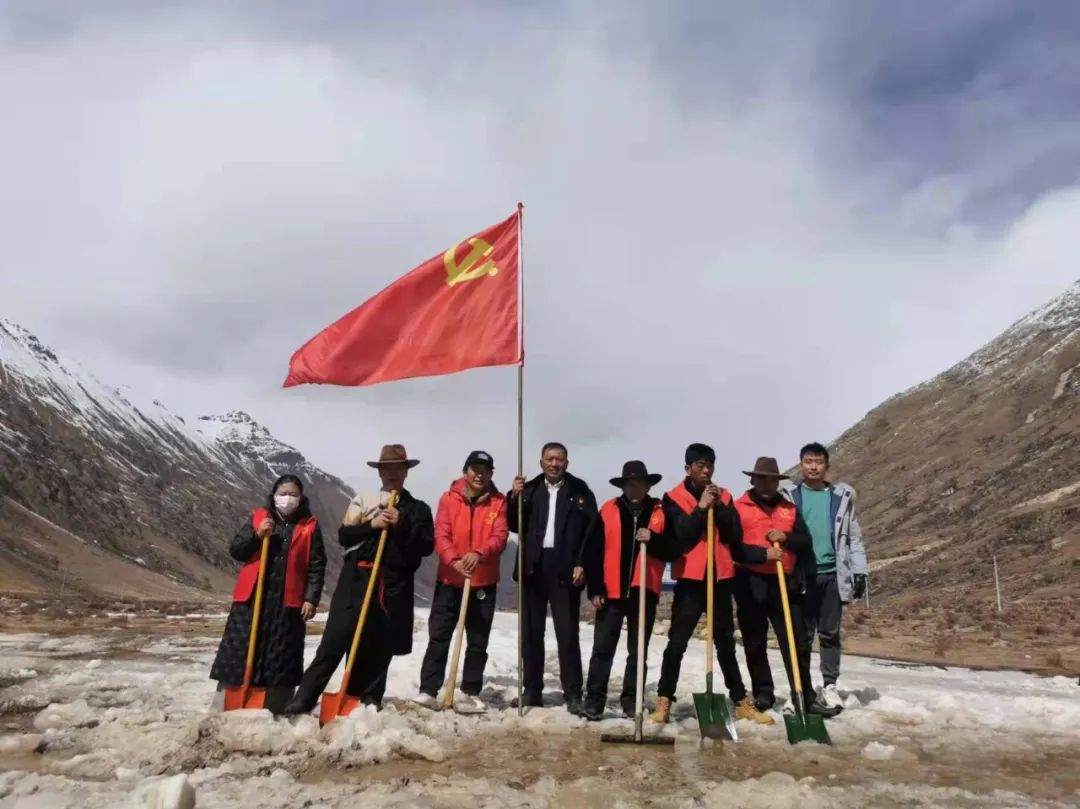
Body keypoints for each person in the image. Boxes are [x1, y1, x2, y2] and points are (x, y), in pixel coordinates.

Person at [285, 445, 433, 714]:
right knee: (335, 638)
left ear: (406, 471)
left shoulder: (418, 510)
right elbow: (345, 536)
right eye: (386, 468)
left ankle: (366, 699)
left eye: (398, 468)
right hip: (356, 578)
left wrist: (401, 525)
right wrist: (372, 525)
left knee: (379, 644)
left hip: (392, 583)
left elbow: (425, 546)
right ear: (380, 472)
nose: (392, 473)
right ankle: (304, 697)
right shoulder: (363, 500)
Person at [650, 443, 772, 725]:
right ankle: (664, 700)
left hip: (720, 578)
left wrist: (720, 508)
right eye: (700, 465)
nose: (706, 470)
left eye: (710, 465)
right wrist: (700, 509)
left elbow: (734, 536)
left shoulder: (724, 495)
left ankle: (740, 701)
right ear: (688, 468)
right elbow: (680, 536)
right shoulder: (673, 498)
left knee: (725, 643)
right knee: (677, 642)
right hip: (691, 579)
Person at [733, 457, 840, 719]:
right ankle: (763, 693)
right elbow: (733, 547)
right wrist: (763, 555)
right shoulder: (738, 508)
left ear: (777, 482)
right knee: (755, 641)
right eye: (761, 478)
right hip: (750, 582)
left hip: (784, 583)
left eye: (771, 479)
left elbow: (805, 542)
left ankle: (804, 695)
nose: (766, 484)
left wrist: (786, 538)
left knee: (796, 641)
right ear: (752, 480)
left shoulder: (789, 509)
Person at [210, 474, 326, 714]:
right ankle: (228, 701)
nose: (288, 498)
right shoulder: (259, 519)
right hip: (253, 599)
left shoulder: (309, 527)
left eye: (293, 494)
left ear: (301, 498)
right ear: (274, 496)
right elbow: (237, 550)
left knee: (281, 654)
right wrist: (257, 536)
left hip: (287, 602)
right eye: (283, 493)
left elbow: (317, 565)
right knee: (240, 650)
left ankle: (275, 706)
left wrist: (311, 598)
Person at [581, 461, 681, 721]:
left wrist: (654, 539)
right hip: (610, 593)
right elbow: (592, 551)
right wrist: (595, 589)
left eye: (640, 483)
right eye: (630, 484)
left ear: (648, 486)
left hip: (643, 593)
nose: (635, 488)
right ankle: (594, 701)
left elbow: (674, 548)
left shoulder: (661, 512)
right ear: (623, 486)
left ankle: (631, 701)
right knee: (602, 649)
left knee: (637, 652)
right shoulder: (608, 509)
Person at [414, 451, 509, 713]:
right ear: (465, 471)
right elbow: (441, 534)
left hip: (483, 582)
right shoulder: (448, 499)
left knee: (478, 641)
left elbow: (499, 536)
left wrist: (479, 553)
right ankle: (429, 689)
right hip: (449, 579)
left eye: (485, 470)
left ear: (491, 474)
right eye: (475, 469)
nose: (480, 474)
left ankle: (470, 691)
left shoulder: (499, 502)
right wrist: (453, 560)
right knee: (439, 636)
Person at [508, 442, 598, 714]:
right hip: (533, 567)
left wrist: (582, 562)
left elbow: (591, 531)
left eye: (559, 459)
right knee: (531, 633)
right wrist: (514, 497)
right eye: (550, 459)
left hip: (566, 568)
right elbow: (513, 524)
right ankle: (532, 690)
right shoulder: (529, 489)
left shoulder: (580, 491)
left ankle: (573, 694)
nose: (554, 464)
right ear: (541, 462)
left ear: (566, 463)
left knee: (567, 634)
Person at [784, 442, 868, 712]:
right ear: (801, 464)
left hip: (832, 574)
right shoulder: (789, 496)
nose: (813, 467)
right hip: (802, 575)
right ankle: (801, 687)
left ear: (827, 465)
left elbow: (854, 537)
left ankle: (830, 685)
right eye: (808, 462)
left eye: (818, 462)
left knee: (830, 633)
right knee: (803, 636)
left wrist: (860, 570)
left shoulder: (841, 498)